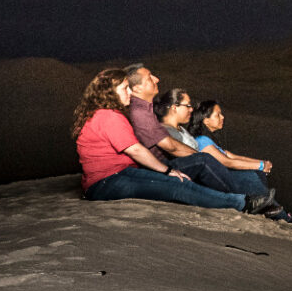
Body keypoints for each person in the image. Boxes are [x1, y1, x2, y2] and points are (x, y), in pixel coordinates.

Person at [71, 68, 278, 215]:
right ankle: (243, 203)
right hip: (106, 182)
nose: (129, 93)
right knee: (176, 187)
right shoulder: (108, 116)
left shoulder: (108, 114)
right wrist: (167, 170)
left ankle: (247, 201)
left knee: (178, 182)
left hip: (118, 175)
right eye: (125, 88)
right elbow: (136, 150)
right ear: (109, 92)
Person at [182, 95, 292, 233]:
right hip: (222, 182)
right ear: (205, 120)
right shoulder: (201, 140)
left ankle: (269, 209)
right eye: (217, 115)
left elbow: (230, 155)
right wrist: (259, 166)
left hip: (226, 178)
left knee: (255, 173)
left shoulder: (206, 140)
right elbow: (226, 161)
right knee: (251, 175)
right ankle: (287, 219)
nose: (222, 117)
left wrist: (261, 163)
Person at [122, 64, 257, 197]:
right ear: (137, 88)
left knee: (249, 174)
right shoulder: (139, 112)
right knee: (204, 161)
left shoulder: (146, 111)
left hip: (161, 165)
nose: (156, 79)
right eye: (150, 78)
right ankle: (244, 200)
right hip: (157, 167)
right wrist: (199, 156)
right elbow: (170, 146)